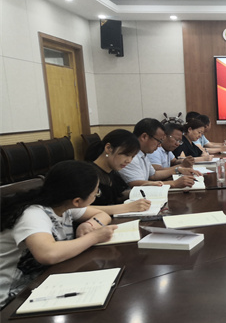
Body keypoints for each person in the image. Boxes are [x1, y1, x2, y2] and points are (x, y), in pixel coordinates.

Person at [0, 160, 117, 308]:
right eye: (96, 193)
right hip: (11, 300)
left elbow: (102, 214)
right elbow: (48, 254)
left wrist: (88, 225)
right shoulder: (32, 214)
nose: (96, 196)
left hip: (43, 283)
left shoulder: (63, 204)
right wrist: (94, 237)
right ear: (77, 201)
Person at [84, 129, 152, 216]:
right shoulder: (87, 174)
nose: (129, 161)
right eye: (126, 155)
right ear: (108, 148)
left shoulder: (112, 172)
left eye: (132, 157)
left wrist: (142, 188)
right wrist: (127, 207)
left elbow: (117, 196)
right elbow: (79, 210)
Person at [118, 118, 199, 188]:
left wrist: (178, 170)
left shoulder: (142, 153)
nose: (160, 145)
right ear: (144, 137)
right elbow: (136, 184)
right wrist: (173, 183)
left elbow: (154, 175)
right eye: (158, 141)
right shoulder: (130, 156)